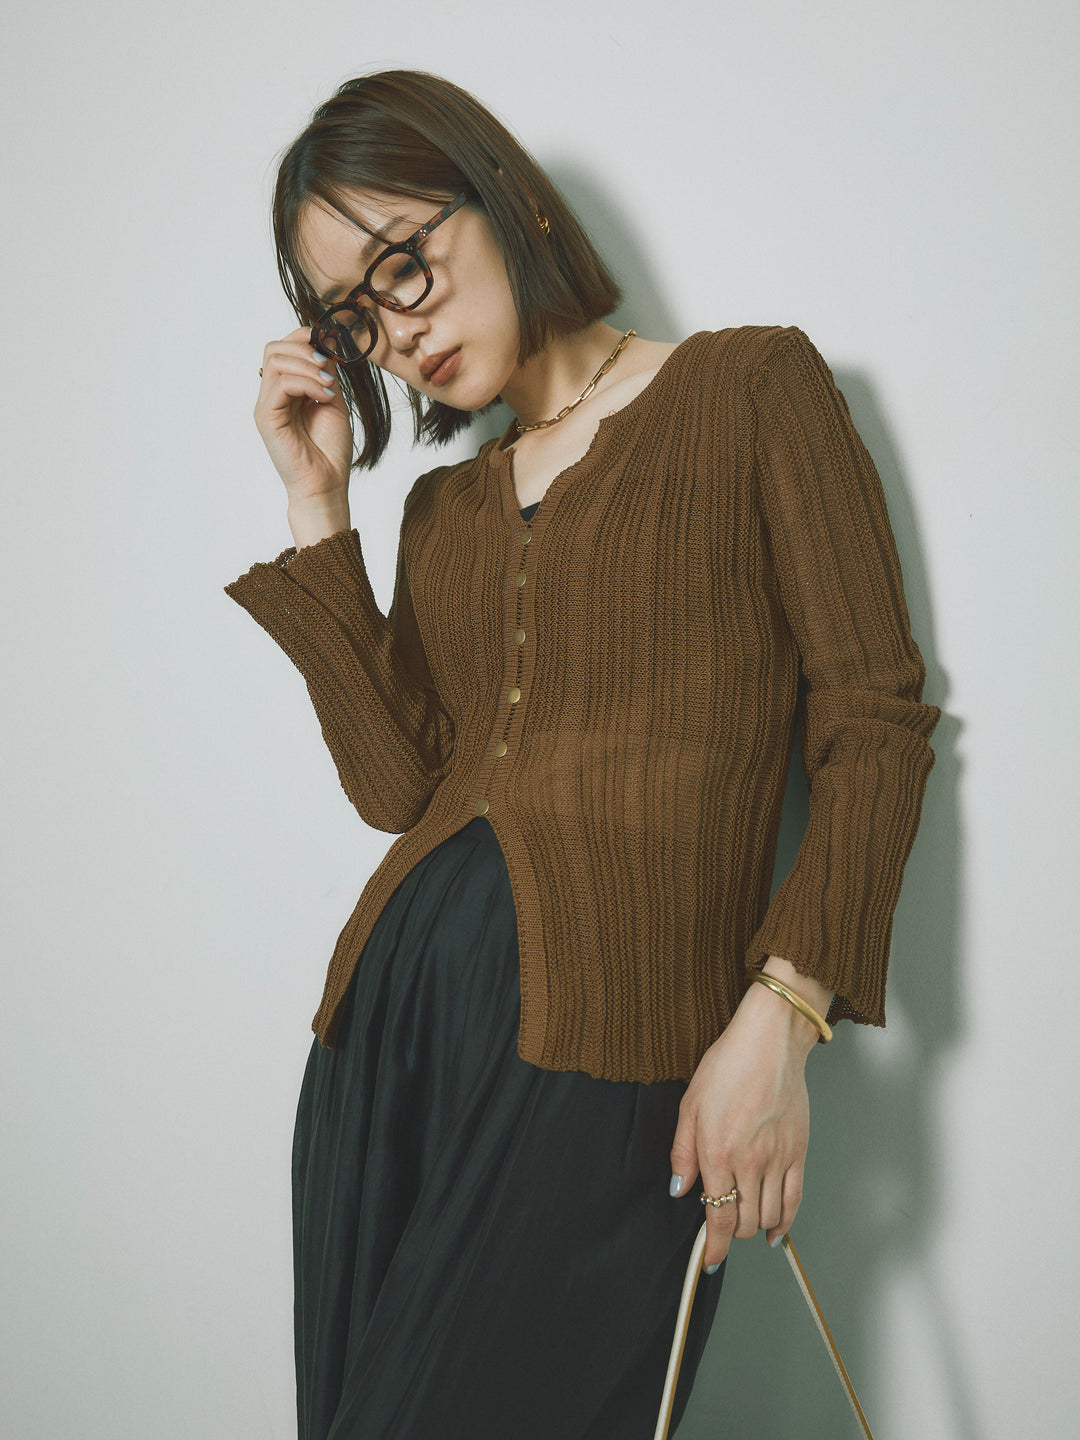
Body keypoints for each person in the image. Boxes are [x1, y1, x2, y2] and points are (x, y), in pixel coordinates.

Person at [224, 69, 940, 1440]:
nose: (395, 334)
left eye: (401, 265)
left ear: (502, 197)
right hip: (385, 1048)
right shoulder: (443, 510)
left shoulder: (750, 390)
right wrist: (318, 504)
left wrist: (781, 1019)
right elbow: (398, 788)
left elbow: (873, 722)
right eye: (354, 316)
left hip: (612, 1055)